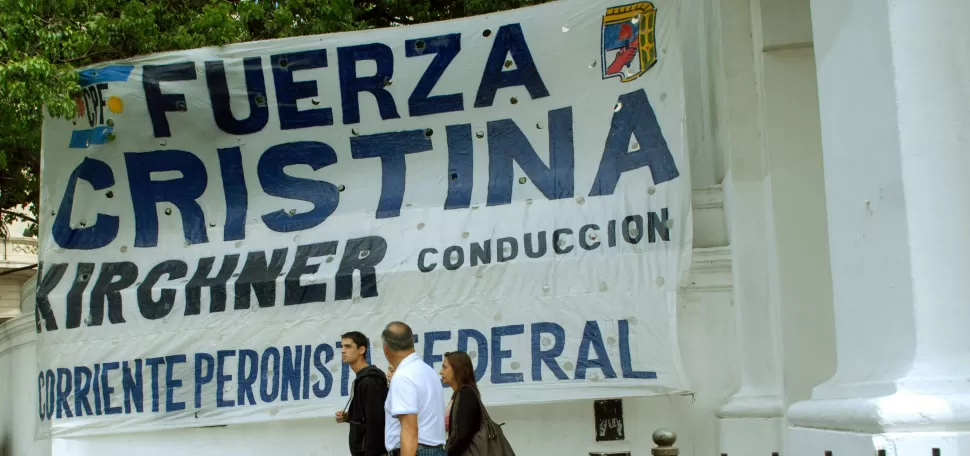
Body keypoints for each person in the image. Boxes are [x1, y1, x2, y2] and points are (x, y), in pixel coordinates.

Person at [382, 321, 447, 456]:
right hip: (435, 449)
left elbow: (409, 430)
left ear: (385, 348)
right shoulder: (429, 371)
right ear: (411, 342)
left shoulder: (402, 376)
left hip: (416, 450)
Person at [335, 331, 388, 456]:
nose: (343, 350)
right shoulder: (363, 379)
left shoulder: (369, 381)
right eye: (342, 346)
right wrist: (349, 416)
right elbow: (365, 417)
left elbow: (375, 423)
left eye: (348, 346)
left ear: (361, 349)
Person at [441, 351, 482, 456]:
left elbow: (464, 435)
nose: (441, 372)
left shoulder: (466, 393)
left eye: (445, 367)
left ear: (456, 369)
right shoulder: (458, 394)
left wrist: (447, 454)